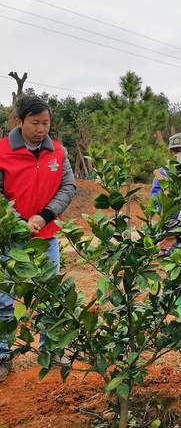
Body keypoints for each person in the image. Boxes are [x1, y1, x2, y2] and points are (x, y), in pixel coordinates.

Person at [0, 95, 77, 381]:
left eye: (46, 123)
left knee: (50, 295)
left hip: (45, 236)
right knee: (3, 297)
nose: (41, 129)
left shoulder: (58, 152)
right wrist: (17, 222)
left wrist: (44, 215)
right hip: (9, 238)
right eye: (35, 123)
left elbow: (68, 187)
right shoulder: (2, 151)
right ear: (19, 122)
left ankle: (52, 350)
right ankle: (1, 355)